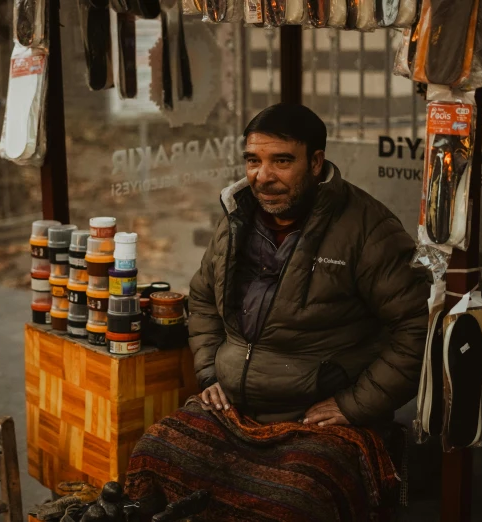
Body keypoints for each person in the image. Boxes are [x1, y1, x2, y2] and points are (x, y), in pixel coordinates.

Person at [124, 104, 430, 522]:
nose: (262, 176)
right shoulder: (237, 217)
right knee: (152, 454)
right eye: (253, 160)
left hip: (313, 416)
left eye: (281, 161)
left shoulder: (367, 229)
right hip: (231, 406)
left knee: (294, 501)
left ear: (316, 161)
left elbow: (418, 325)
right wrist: (211, 372)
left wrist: (355, 406)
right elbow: (201, 298)